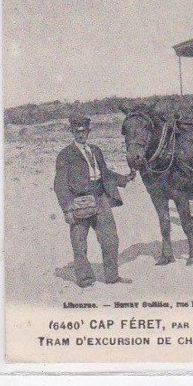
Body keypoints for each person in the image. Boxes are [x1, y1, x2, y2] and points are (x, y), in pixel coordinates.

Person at [54, 115, 136, 288]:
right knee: (79, 244)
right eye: (77, 132)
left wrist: (124, 179)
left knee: (110, 239)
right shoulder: (65, 154)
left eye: (84, 132)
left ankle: (112, 277)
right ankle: (85, 279)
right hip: (79, 203)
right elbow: (60, 185)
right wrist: (67, 210)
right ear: (72, 132)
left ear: (88, 132)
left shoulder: (96, 150)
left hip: (101, 200)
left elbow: (105, 173)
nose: (81, 135)